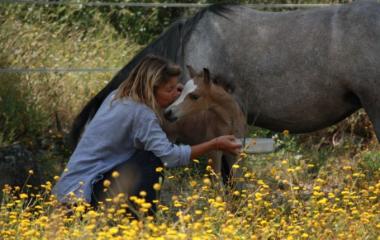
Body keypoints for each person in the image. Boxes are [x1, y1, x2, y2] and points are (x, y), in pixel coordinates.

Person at [52, 55, 241, 216]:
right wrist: (214, 144)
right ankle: (143, 223)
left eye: (179, 88)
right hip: (83, 197)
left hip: (69, 189)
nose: (176, 94)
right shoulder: (142, 115)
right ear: (151, 88)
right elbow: (171, 157)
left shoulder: (117, 96)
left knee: (145, 155)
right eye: (170, 89)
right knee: (152, 159)